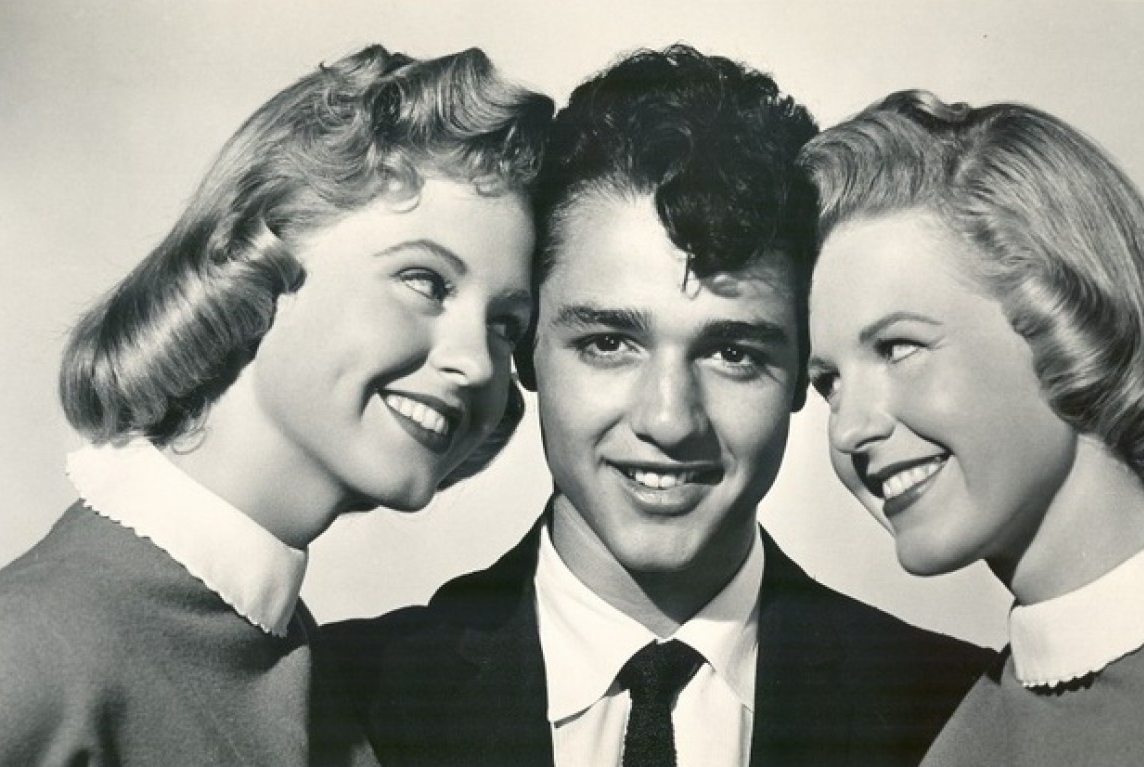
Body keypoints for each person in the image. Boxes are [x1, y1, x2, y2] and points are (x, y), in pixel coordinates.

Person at [320, 46, 992, 767]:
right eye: (610, 342)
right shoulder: (344, 699)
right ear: (525, 349)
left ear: (803, 370)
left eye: (733, 352)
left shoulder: (951, 709)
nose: (669, 420)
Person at [0, 44, 552, 767]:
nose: (476, 362)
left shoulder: (304, 667)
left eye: (506, 324)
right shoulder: (12, 669)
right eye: (426, 281)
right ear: (258, 251)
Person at [799, 89, 1144, 767]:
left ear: (1066, 321)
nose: (849, 427)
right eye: (828, 383)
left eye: (898, 347)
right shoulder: (962, 727)